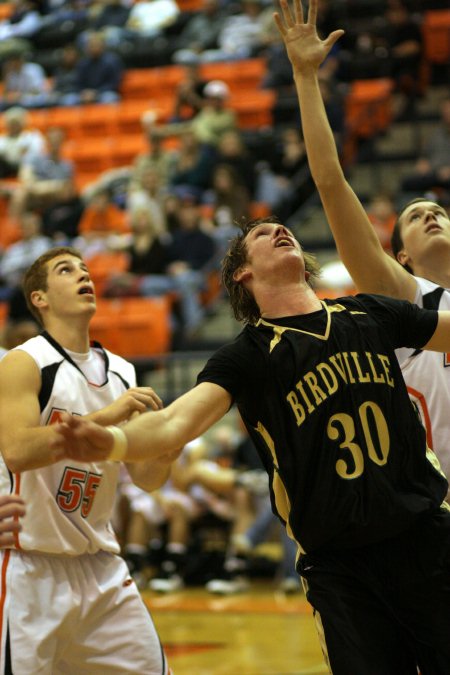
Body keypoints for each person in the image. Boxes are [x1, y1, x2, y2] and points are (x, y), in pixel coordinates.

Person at [289, 0, 450, 496]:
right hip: (432, 506)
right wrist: (306, 78)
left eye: (439, 212)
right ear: (399, 256)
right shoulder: (406, 293)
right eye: (415, 216)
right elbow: (332, 185)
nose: (430, 214)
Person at [0, 246, 174, 673]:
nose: (84, 276)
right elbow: (18, 450)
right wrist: (105, 418)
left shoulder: (123, 373)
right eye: (65, 270)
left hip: (102, 567)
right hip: (29, 569)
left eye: (84, 269)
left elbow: (146, 477)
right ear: (39, 298)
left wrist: (171, 443)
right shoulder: (24, 363)